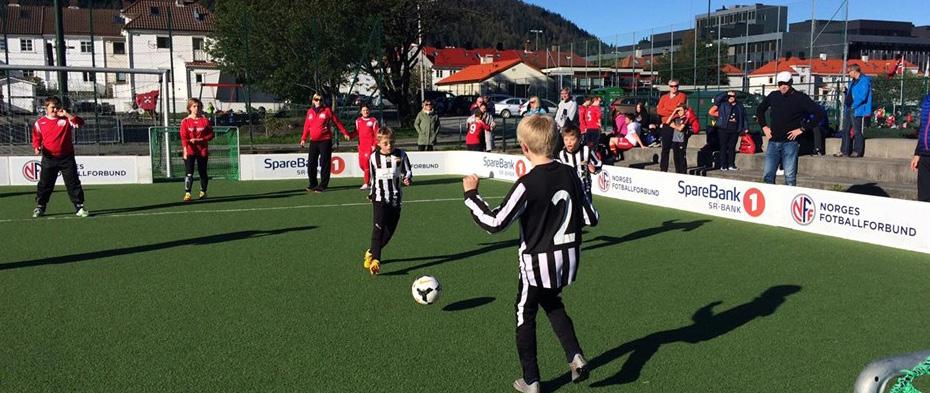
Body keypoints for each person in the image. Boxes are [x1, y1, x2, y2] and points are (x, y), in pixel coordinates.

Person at [462, 115, 599, 393]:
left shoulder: (527, 183)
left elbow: (495, 223)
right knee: (552, 301)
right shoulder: (570, 173)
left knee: (524, 313)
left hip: (537, 263)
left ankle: (531, 379)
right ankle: (575, 355)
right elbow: (590, 217)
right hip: (568, 260)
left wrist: (471, 195)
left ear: (524, 148)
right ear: (557, 143)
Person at [756, 71, 825, 186]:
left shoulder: (801, 98)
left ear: (791, 83)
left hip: (790, 142)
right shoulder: (773, 96)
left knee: (789, 177)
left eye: (786, 83)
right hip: (773, 141)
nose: (783, 86)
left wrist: (802, 129)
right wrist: (764, 127)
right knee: (768, 175)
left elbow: (819, 114)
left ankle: (789, 201)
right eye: (780, 84)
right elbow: (760, 110)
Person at [363, 128, 412, 275]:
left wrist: (407, 178)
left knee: (389, 232)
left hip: (396, 199)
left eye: (392, 142)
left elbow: (408, 171)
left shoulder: (401, 154)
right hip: (379, 198)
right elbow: (372, 178)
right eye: (386, 143)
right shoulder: (373, 157)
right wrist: (371, 194)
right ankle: (376, 261)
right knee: (378, 229)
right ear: (378, 143)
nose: (389, 145)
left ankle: (371, 251)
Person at [31, 96, 88, 218]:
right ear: (46, 108)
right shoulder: (40, 122)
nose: (55, 109)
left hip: (66, 158)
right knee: (45, 184)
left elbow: (80, 123)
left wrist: (67, 114)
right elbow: (36, 137)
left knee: (73, 183)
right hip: (49, 158)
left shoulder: (67, 120)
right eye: (52, 107)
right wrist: (36, 147)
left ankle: (79, 207)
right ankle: (40, 207)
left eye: (57, 107)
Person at [299, 93, 353, 193]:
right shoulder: (310, 112)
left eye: (320, 100)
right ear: (313, 101)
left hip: (325, 140)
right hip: (313, 141)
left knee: (324, 163)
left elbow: (337, 122)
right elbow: (307, 126)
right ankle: (313, 184)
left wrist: (345, 133)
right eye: (316, 99)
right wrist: (303, 138)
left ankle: (323, 185)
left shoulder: (327, 111)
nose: (318, 101)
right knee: (311, 163)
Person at [180, 98, 215, 201]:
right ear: (189, 108)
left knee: (202, 172)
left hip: (202, 150)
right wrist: (185, 150)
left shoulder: (205, 121)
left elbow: (211, 134)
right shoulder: (185, 121)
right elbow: (183, 137)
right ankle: (188, 194)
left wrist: (201, 139)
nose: (196, 108)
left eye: (199, 106)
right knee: (189, 172)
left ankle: (203, 192)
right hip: (190, 151)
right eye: (194, 106)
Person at [836, 64, 872, 158]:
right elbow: (852, 93)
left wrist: (854, 104)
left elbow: (863, 96)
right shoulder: (853, 81)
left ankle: (857, 151)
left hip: (856, 109)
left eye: (849, 72)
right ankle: (844, 151)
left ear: (854, 71)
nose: (848, 74)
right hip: (849, 108)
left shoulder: (864, 80)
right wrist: (846, 91)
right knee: (845, 130)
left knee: (857, 130)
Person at [557, 125, 601, 201]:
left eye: (572, 139)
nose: (569, 142)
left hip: (584, 189)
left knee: (586, 211)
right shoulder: (561, 155)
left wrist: (594, 169)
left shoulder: (587, 150)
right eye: (566, 139)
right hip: (569, 189)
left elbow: (598, 163)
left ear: (579, 139)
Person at [656, 80, 688, 171]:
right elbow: (659, 111)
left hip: (676, 123)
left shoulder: (682, 96)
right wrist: (673, 111)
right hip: (667, 125)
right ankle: (663, 170)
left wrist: (666, 110)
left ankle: (680, 170)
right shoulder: (663, 97)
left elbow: (680, 110)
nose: (674, 87)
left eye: (676, 86)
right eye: (672, 86)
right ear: (669, 86)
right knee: (665, 148)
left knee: (677, 149)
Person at [715, 91, 749, 171]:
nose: (731, 97)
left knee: (732, 147)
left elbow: (744, 117)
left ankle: (731, 164)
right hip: (723, 128)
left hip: (735, 129)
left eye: (733, 96)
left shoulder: (739, 105)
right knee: (723, 147)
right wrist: (726, 93)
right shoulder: (723, 104)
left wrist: (745, 127)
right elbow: (717, 99)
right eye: (730, 96)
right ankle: (723, 165)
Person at [664, 103, 699, 173]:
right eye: (678, 111)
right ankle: (678, 172)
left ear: (685, 110)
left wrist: (673, 126)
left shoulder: (686, 118)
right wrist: (674, 111)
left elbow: (680, 128)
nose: (679, 112)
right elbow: (667, 122)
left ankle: (683, 172)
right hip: (675, 139)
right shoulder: (676, 118)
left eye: (681, 110)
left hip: (681, 140)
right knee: (675, 157)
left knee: (681, 157)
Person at [355, 105, 380, 189]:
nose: (365, 112)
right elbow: (357, 133)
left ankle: (366, 183)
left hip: (370, 147)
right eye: (364, 110)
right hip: (361, 147)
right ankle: (373, 178)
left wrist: (374, 145)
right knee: (362, 165)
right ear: (361, 112)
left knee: (366, 164)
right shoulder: (358, 121)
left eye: (367, 110)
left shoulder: (373, 121)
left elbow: (377, 134)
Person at [911, 93, 930, 202]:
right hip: (925, 154)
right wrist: (917, 153)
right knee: (923, 198)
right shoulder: (927, 98)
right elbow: (924, 127)